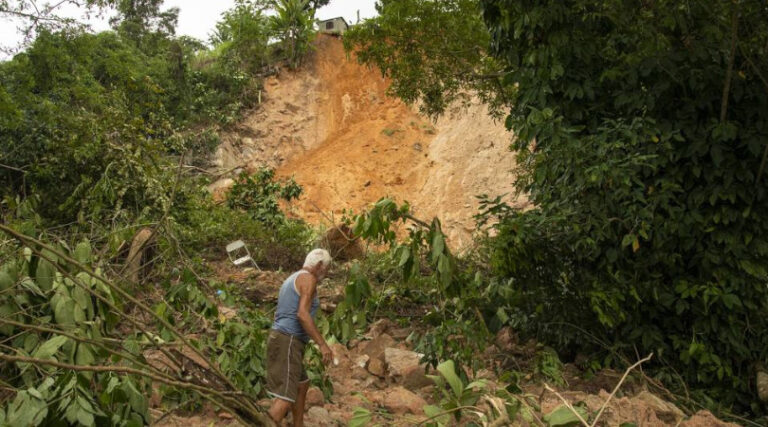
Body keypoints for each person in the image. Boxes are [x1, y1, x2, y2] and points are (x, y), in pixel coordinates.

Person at [266, 249, 334, 426]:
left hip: (282, 338)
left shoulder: (293, 278)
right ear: (319, 265)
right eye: (326, 269)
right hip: (288, 340)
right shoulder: (308, 279)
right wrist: (322, 344)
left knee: (301, 384)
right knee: (285, 397)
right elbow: (302, 314)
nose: (326, 274)